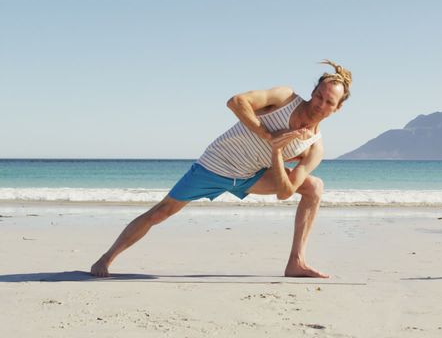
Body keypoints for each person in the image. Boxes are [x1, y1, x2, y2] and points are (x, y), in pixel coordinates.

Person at [90, 60, 352, 279]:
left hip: (250, 177)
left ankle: (296, 261)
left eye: (329, 102)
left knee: (314, 187)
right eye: (319, 95)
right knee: (161, 212)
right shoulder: (285, 98)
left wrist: (276, 152)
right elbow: (236, 102)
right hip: (215, 165)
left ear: (338, 108)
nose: (320, 104)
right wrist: (268, 135)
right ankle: (106, 259)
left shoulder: (314, 147)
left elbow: (285, 192)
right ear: (313, 90)